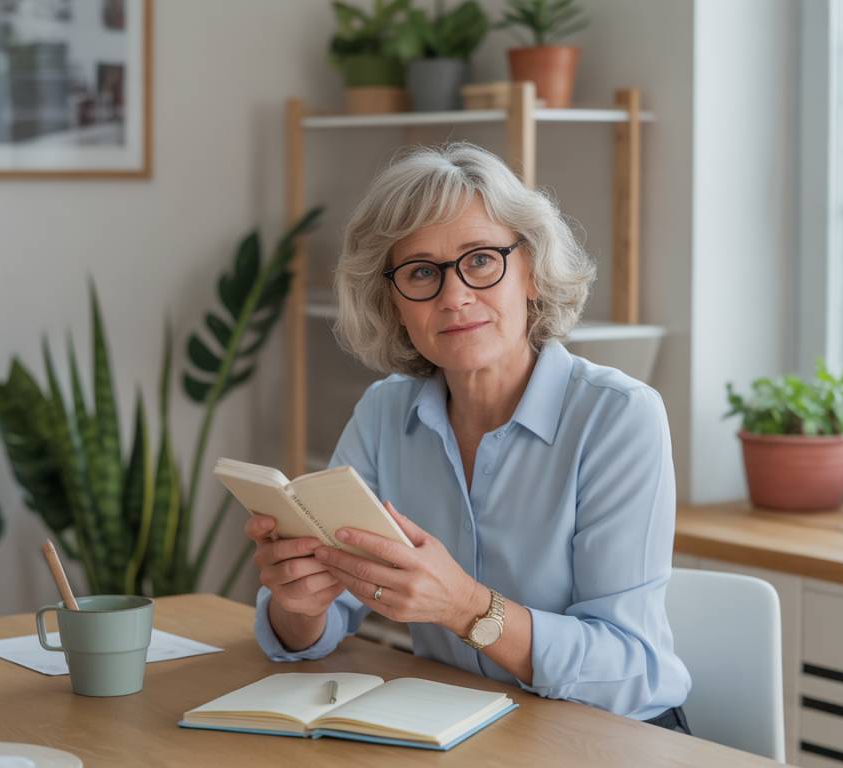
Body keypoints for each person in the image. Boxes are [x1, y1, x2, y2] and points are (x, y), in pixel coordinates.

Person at [245, 142, 692, 733]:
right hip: (460, 728)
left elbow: (630, 669)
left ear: (531, 272)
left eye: (481, 260)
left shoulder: (618, 417)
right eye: (421, 272)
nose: (454, 297)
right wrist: (298, 603)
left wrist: (465, 607)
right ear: (393, 302)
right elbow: (312, 631)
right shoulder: (384, 412)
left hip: (612, 738)